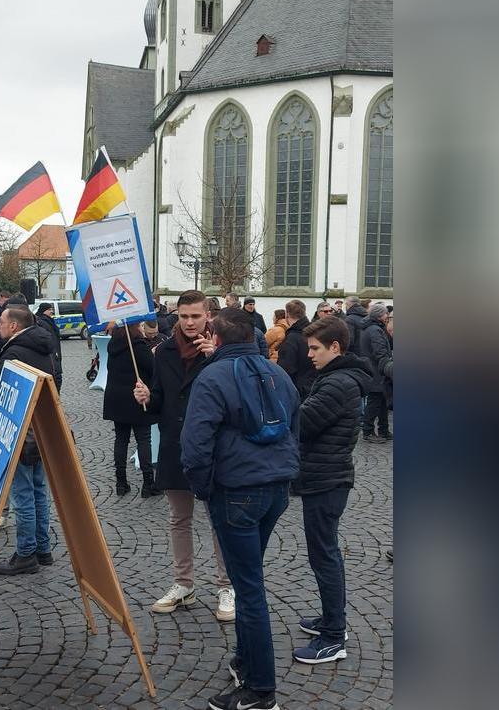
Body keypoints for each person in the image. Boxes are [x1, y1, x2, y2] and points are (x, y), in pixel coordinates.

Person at [180, 306, 300, 710]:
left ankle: (261, 691)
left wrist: (203, 489)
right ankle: (246, 662)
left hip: (237, 492)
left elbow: (195, 443)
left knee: (248, 590)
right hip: (275, 488)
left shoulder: (213, 376)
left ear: (215, 332)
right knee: (246, 577)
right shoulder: (278, 373)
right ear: (254, 335)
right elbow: (295, 424)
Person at [133, 290, 235, 623]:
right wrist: (147, 397)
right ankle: (183, 583)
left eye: (195, 316)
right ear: (176, 316)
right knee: (179, 519)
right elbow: (161, 401)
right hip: (175, 446)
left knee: (219, 520)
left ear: (209, 316)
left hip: (213, 449)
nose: (189, 322)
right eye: (183, 316)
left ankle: (226, 585)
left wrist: (215, 358)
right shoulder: (163, 352)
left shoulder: (223, 350)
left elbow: (237, 402)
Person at [293, 316, 373, 664]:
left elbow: (302, 423)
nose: (310, 354)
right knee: (325, 554)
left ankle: (333, 637)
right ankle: (331, 619)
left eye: (315, 348)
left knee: (324, 556)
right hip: (325, 477)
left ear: (335, 348)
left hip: (327, 480)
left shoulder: (338, 383)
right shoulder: (335, 378)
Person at [0, 306, 57, 575]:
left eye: (1, 322)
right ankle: (43, 548)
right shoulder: (43, 347)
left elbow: (3, 395)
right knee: (39, 491)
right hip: (42, 431)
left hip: (21, 433)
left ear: (14, 326)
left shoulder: (15, 353)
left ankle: (26, 553)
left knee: (23, 495)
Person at [104, 323, 161, 497]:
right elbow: (153, 369)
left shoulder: (113, 345)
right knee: (144, 439)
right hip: (136, 398)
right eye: (140, 325)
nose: (143, 328)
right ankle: (148, 483)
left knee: (121, 440)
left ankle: (121, 482)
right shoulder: (138, 346)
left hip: (116, 398)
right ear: (134, 328)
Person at [360, 303, 393, 442]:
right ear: (380, 315)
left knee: (382, 401)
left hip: (375, 370)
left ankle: (384, 430)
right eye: (386, 314)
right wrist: (387, 364)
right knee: (374, 402)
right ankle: (368, 431)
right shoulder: (375, 330)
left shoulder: (372, 328)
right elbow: (380, 352)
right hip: (376, 371)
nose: (387, 317)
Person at [277, 299, 316, 400]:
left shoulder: (291, 338)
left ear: (286, 314)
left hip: (298, 391)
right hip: (316, 387)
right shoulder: (315, 333)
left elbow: (285, 369)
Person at [35, 302, 63, 392]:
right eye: (49, 309)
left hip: (54, 354)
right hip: (51, 356)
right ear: (43, 311)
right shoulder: (42, 322)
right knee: (55, 380)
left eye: (51, 309)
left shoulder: (48, 321)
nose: (52, 311)